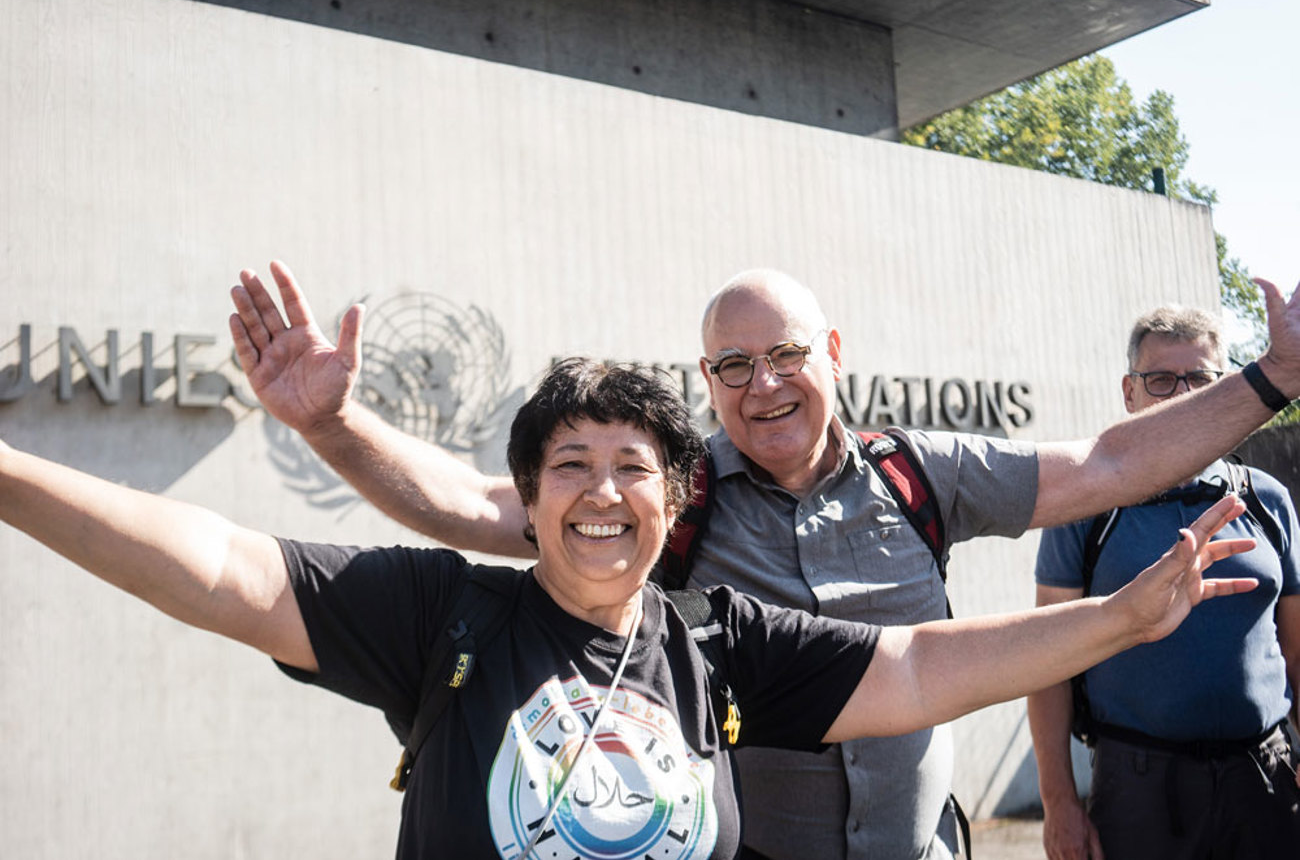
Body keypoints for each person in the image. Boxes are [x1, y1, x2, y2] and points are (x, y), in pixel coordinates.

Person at [228, 261, 1300, 860]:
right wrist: (333, 427)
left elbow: (1109, 456)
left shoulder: (923, 471)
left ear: (831, 356)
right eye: (733, 364)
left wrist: (1269, 379)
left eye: (787, 353)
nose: (764, 383)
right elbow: (467, 503)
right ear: (707, 378)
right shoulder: (667, 494)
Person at [0, 353, 1264, 859]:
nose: (601, 493)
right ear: (529, 496)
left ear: (670, 501)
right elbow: (216, 567)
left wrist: (1119, 617)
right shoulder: (443, 612)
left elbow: (926, 667)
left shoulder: (715, 641)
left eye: (631, 468)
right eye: (569, 465)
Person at [1028, 305, 1300, 860]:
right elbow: (1044, 662)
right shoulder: (1087, 505)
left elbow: (1297, 649)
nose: (1181, 395)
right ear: (1130, 393)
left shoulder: (1267, 500)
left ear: (1225, 387)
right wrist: (1058, 802)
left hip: (1266, 780)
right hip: (1140, 792)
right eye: (1160, 380)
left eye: (1200, 379)